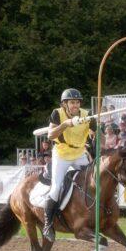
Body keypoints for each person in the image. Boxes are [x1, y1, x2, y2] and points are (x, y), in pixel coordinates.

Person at [43, 88, 97, 242]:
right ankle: (48, 224)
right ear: (65, 104)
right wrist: (65, 124)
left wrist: (96, 133)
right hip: (62, 154)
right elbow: (50, 135)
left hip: (80, 153)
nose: (76, 105)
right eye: (72, 102)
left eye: (78, 102)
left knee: (93, 181)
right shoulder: (57, 114)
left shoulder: (87, 115)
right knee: (56, 188)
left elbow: (95, 133)